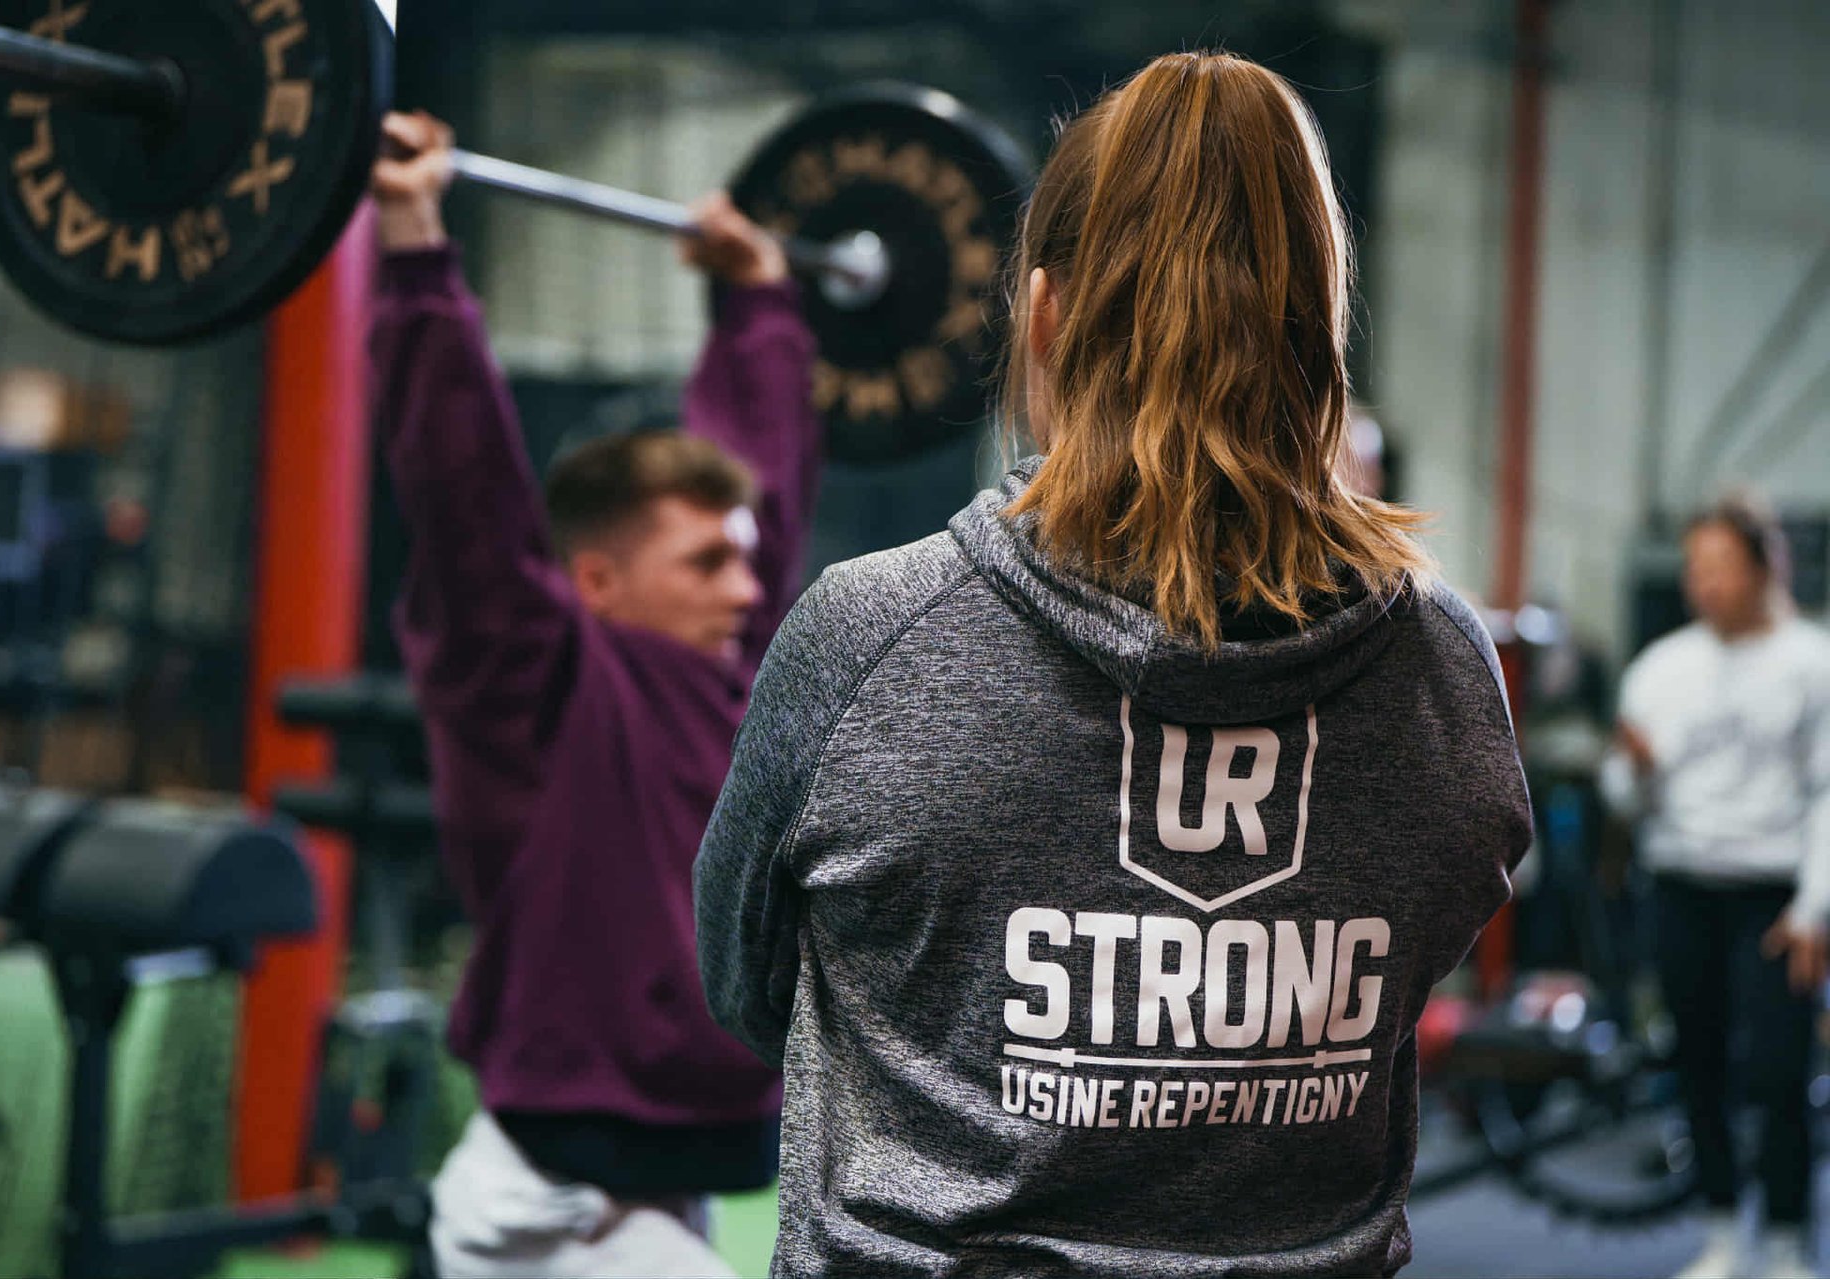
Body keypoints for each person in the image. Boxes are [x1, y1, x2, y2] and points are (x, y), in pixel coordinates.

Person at [696, 51, 1532, 1277]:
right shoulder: (1445, 670)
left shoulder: (868, 636)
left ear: (1042, 315)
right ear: (1321, 328)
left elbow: (745, 985)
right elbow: (1429, 941)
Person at [369, 110, 821, 1278]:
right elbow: (463, 495)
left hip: (668, 1177)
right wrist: (415, 244)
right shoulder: (535, 687)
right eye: (704, 564)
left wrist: (757, 306)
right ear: (599, 580)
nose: (745, 583)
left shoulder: (739, 676)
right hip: (546, 1201)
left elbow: (765, 503)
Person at [1603, 497, 1830, 1279]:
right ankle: (1726, 1233)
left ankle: (1793, 1244)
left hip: (1773, 897)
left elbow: (1828, 795)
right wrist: (1632, 771)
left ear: (1766, 566)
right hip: (1681, 887)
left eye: (1720, 567)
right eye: (1695, 569)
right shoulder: (1660, 668)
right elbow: (1621, 797)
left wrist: (1815, 909)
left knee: (1776, 1074)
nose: (1704, 584)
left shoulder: (1814, 663)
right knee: (1696, 1066)